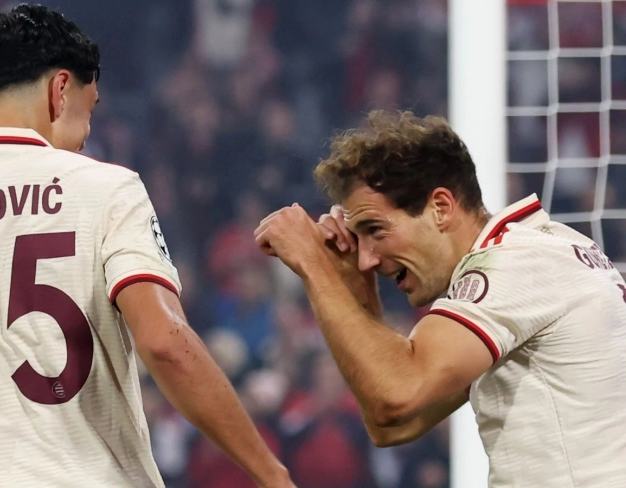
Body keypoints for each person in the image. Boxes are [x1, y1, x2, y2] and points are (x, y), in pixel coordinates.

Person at [0, 4, 294, 487]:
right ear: (61, 90)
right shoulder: (105, 188)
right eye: (91, 109)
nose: (86, 136)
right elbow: (164, 343)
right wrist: (272, 473)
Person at [254, 109, 626, 487]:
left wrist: (313, 265)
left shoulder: (515, 265)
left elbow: (396, 396)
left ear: (441, 208)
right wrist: (355, 285)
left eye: (375, 230)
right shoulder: (548, 249)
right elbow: (393, 425)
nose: (367, 259)